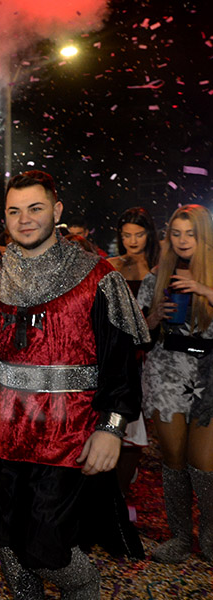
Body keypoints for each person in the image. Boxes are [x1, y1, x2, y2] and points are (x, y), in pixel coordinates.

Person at [0, 170, 149, 599]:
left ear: (56, 211)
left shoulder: (96, 275)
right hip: (1, 433)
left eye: (35, 208)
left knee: (48, 546)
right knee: (5, 539)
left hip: (67, 435)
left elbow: (122, 363)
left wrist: (110, 428)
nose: (25, 219)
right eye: (14, 211)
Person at [137, 204, 213, 563]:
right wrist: (153, 316)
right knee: (174, 460)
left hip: (209, 374)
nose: (183, 241)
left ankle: (210, 539)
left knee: (204, 462)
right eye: (177, 233)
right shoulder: (158, 274)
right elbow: (140, 331)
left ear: (204, 236)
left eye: (191, 234)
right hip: (167, 370)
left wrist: (203, 288)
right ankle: (181, 537)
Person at [108, 207, 160, 493]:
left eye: (139, 234)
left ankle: (126, 484)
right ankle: (117, 486)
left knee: (138, 421)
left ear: (149, 235)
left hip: (153, 350)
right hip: (120, 348)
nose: (132, 240)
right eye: (126, 234)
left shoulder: (160, 266)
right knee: (122, 418)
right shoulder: (111, 265)